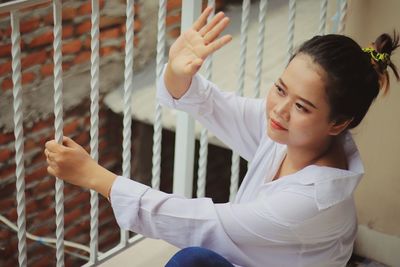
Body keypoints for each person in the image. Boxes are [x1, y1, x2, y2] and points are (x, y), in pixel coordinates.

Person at [44, 6, 399, 267]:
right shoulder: (296, 136)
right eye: (280, 88)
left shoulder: (310, 201)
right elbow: (211, 103)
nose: (278, 110)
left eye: (303, 107)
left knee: (188, 261)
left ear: (338, 123)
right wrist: (177, 70)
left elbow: (202, 222)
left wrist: (95, 176)